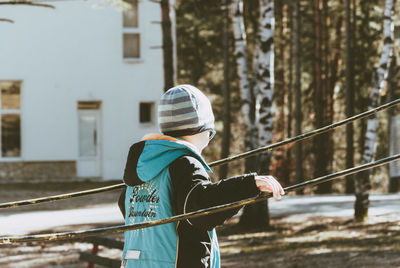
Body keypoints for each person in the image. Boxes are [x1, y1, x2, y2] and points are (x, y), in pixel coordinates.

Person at [118, 84, 284, 268]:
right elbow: (202, 207)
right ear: (202, 130)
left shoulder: (144, 164)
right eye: (211, 133)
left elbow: (125, 204)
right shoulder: (185, 163)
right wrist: (249, 185)